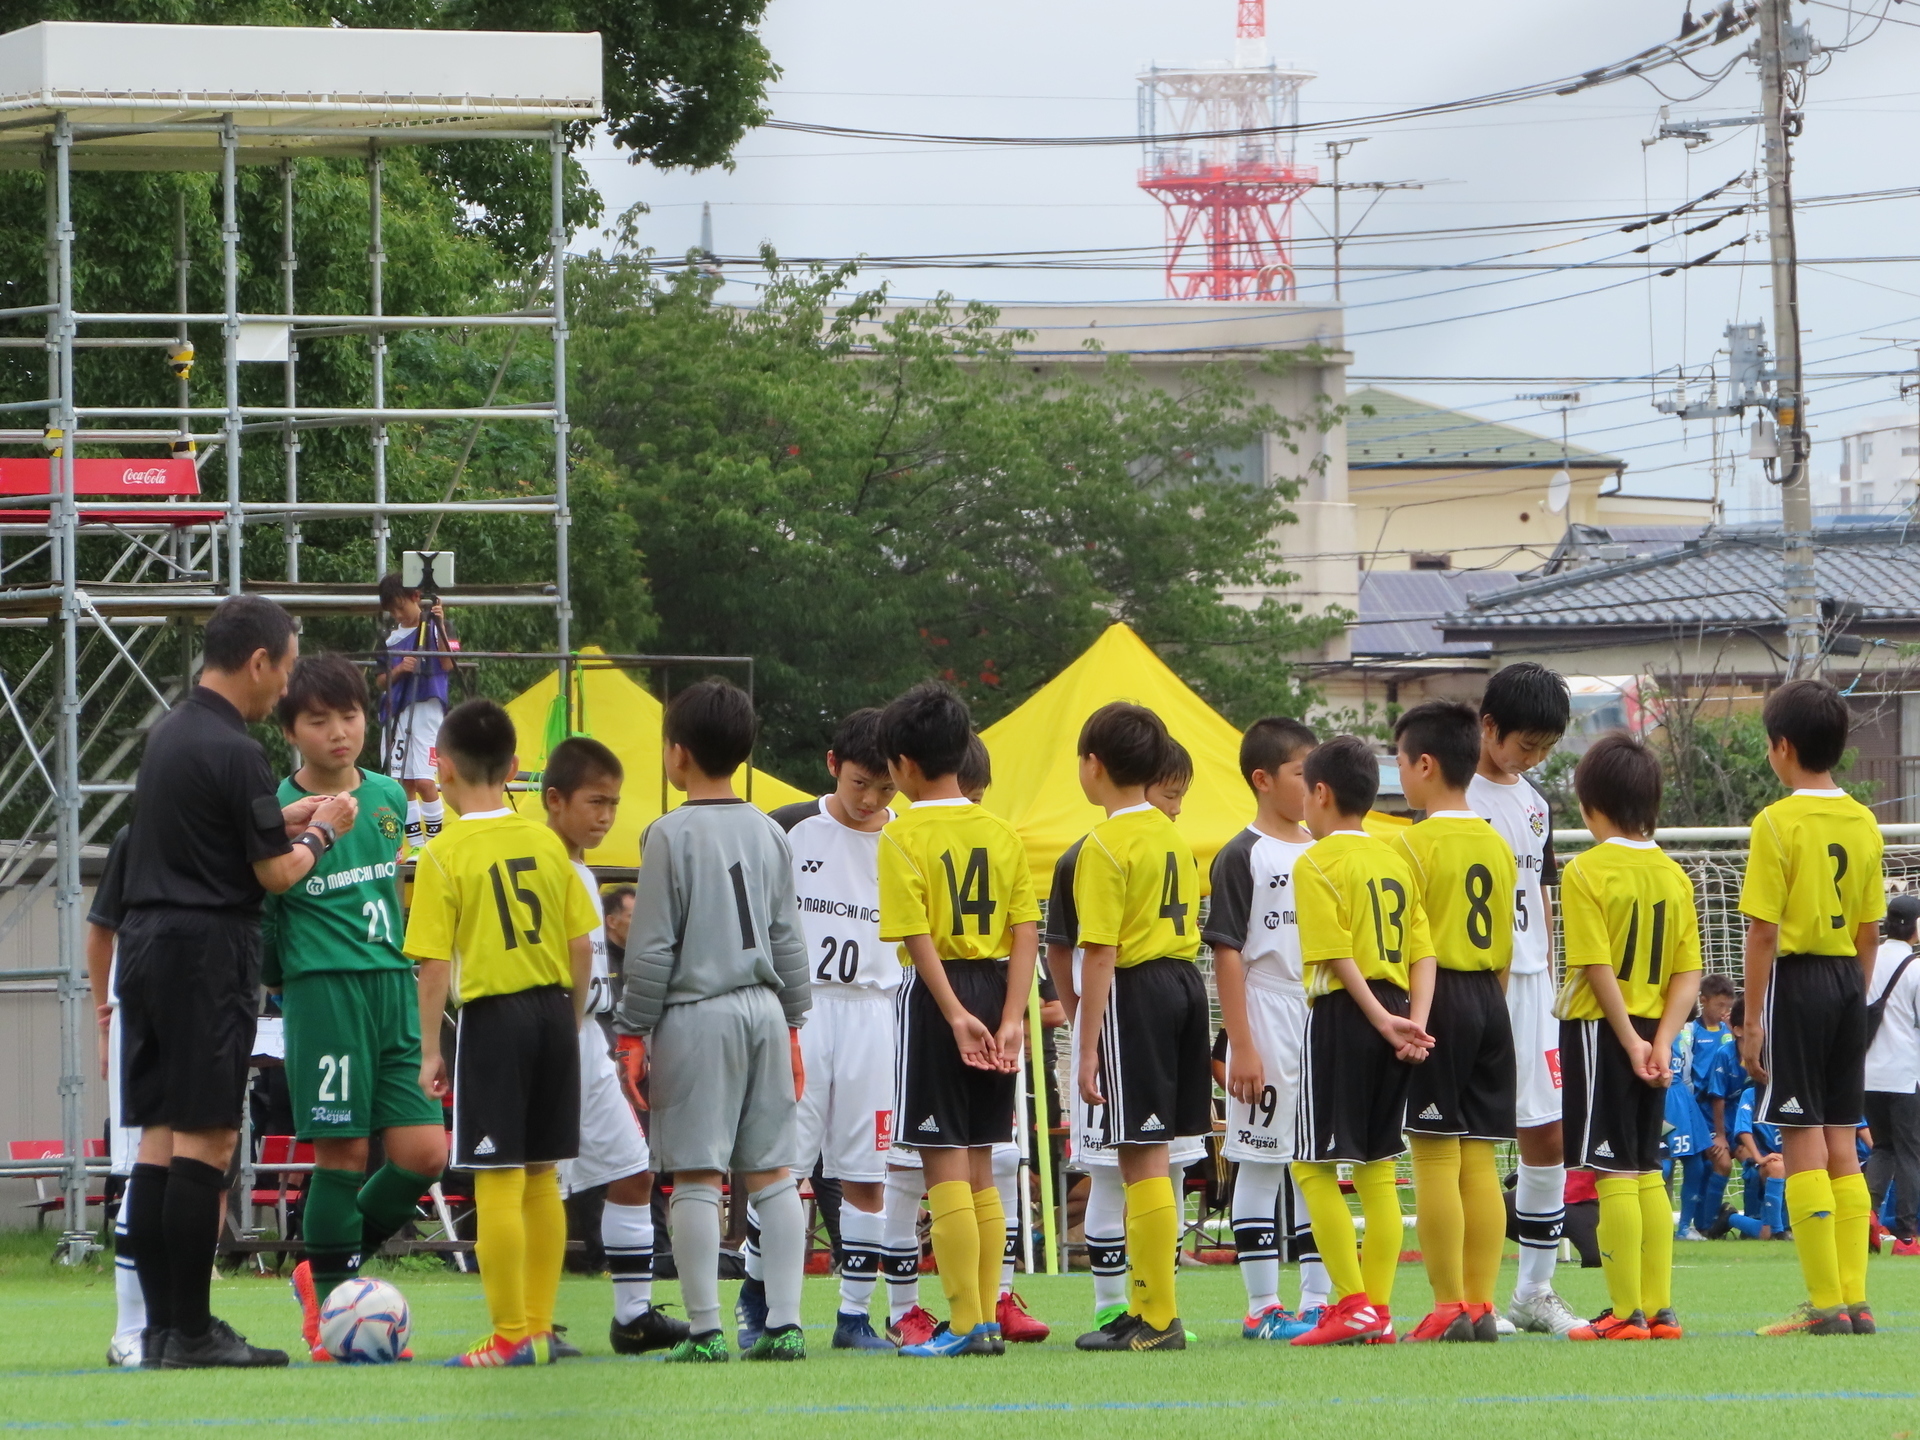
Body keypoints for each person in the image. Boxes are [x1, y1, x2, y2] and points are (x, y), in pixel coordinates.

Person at [117, 594, 355, 1369]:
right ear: (259, 663)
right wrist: (321, 830)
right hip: (206, 952)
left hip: (147, 943)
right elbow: (277, 876)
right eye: (284, 671)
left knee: (158, 1138)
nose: (284, 689)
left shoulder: (171, 736)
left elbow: (219, 832)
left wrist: (291, 815)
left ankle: (158, 1330)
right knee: (209, 1138)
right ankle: (192, 1330)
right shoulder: (237, 750)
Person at [618, 679, 813, 1363]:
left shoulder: (667, 834)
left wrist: (632, 1030)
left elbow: (652, 947)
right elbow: (789, 939)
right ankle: (786, 1325)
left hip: (697, 1014)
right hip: (765, 1010)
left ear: (677, 755)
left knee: (696, 1176)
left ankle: (704, 1332)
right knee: (775, 1174)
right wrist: (794, 1023)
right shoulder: (769, 829)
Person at [265, 655, 449, 1362]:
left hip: (392, 986)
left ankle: (324, 1274)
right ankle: (335, 1325)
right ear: (292, 730)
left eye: (349, 716)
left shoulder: (388, 799)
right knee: (340, 1154)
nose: (339, 732)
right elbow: (263, 909)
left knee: (424, 1153)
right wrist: (278, 978)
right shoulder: (274, 808)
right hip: (325, 990)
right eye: (319, 720)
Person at [405, 698, 596, 1367]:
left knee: (496, 1176)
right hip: (552, 1012)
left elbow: (432, 965)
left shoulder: (443, 852)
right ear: (515, 768)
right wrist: (568, 1024)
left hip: (494, 1018)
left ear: (442, 766)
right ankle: (540, 1328)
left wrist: (432, 1048)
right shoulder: (547, 841)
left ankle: (510, 1333)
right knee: (543, 1174)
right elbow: (581, 946)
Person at [877, 682, 1039, 1358]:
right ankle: (987, 1318)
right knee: (980, 1165)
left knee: (945, 1170)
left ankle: (968, 1324)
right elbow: (1025, 925)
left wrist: (953, 1015)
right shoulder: (1000, 830)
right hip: (997, 985)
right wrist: (1010, 1017)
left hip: (940, 993)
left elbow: (916, 936)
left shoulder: (903, 833)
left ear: (904, 766)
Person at [1740, 679, 1886, 1337]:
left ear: (1782, 747)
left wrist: (1752, 1021)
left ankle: (1825, 1304)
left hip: (1796, 985)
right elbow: (1870, 930)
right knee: (1842, 1143)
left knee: (1801, 1142)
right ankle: (1856, 1301)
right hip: (1848, 984)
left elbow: (1762, 931)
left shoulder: (1775, 823)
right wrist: (1853, 994)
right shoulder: (1864, 821)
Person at [1050, 737, 1208, 1341]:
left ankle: (1157, 1316)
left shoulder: (1103, 844)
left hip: (1136, 989)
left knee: (1141, 1160)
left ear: (1094, 763)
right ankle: (1147, 1310)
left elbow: (1099, 952)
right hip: (1184, 984)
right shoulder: (1172, 833)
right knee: (1156, 1158)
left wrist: (1084, 1047)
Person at [756, 709, 902, 1352]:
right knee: (782, 1168)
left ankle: (853, 1317)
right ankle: (759, 1302)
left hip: (877, 1013)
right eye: (860, 784)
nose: (871, 801)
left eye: (886, 788)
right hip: (803, 1008)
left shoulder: (910, 837)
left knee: (869, 1171)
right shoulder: (784, 829)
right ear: (832, 766)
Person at [541, 737, 689, 1357]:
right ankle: (529, 1317)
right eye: (594, 802)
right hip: (549, 1038)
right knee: (537, 1187)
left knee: (633, 1171)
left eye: (613, 803)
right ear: (554, 800)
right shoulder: (541, 861)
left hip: (590, 1041)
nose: (605, 815)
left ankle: (632, 1317)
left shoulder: (582, 868)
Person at [1287, 735, 1436, 1347]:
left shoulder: (1315, 862)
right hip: (1401, 1011)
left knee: (1311, 1163)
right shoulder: (1395, 859)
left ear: (1320, 794)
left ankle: (1352, 1304)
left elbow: (1337, 957)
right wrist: (1413, 1024)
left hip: (1351, 1016)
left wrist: (1377, 1019)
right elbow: (1424, 952)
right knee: (1377, 1168)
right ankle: (1378, 1310)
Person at [1556, 732, 1702, 1341]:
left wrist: (1629, 1040)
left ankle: (1622, 1313)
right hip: (1655, 1030)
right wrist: (1662, 1041)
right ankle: (1659, 1309)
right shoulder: (1675, 875)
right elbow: (1689, 971)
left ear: (1591, 806)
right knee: (1646, 1167)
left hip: (1601, 1029)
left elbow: (1596, 967)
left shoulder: (1585, 870)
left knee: (1614, 1170)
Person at [1391, 701, 1519, 1344]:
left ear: (1424, 763)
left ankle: (1447, 1306)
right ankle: (1481, 1305)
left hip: (1435, 998)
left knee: (1435, 1158)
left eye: (1400, 760)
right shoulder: (1496, 844)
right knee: (1481, 1160)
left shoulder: (1410, 844)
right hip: (1490, 1000)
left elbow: (1408, 943)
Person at [1205, 716, 1329, 1342]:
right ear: (1263, 779)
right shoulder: (1240, 854)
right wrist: (1241, 1043)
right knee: (1260, 1160)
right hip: (1267, 1007)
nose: (1314, 784)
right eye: (1302, 772)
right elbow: (1227, 953)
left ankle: (1319, 1301)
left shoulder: (1327, 847)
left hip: (1324, 1010)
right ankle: (1261, 1306)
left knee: (1318, 1160)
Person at [1468, 661, 1582, 1336]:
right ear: (1489, 727)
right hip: (1475, 982)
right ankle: (1471, 1296)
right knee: (1471, 1136)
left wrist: (1549, 968)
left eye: (1545, 748)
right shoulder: (1455, 797)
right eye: (1525, 745)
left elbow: (1540, 893)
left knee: (1547, 1132)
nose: (1534, 758)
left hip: (1534, 985)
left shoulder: (1536, 803)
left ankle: (1534, 1290)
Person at [83, 829, 145, 1367]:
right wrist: (107, 1022)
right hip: (141, 1016)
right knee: (141, 1169)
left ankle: (182, 1320)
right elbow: (100, 931)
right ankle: (131, 1329)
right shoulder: (136, 838)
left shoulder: (228, 829)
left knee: (201, 1164)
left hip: (208, 1011)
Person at [375, 572, 457, 850]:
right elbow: (379, 679)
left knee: (424, 780)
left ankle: (436, 844)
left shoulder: (436, 626)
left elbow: (449, 665)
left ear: (415, 598)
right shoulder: (388, 637)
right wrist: (398, 669)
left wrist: (441, 624)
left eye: (400, 606)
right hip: (396, 710)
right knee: (402, 782)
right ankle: (416, 845)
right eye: (392, 610)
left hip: (426, 708)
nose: (398, 614)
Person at [1862, 894, 1920, 1254]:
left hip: (1867, 1072)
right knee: (1910, 1151)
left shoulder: (1868, 957)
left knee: (1882, 1146)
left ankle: (1865, 1214)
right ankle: (1908, 1234)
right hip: (1904, 1072)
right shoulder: (1915, 966)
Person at [1670, 974, 1739, 1239]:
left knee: (1708, 1166)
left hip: (1719, 1113)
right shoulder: (1690, 1032)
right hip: (1694, 1108)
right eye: (1719, 1005)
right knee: (1680, 1166)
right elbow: (1687, 1073)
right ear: (1703, 1001)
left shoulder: (1729, 1033)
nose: (1724, 1012)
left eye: (1727, 1006)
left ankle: (1703, 1223)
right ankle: (1689, 1225)